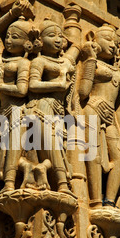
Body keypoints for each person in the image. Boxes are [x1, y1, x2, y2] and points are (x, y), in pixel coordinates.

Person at [27, 16, 81, 195]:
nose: (58, 39)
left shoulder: (64, 61)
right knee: (52, 147)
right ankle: (62, 184)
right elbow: (33, 85)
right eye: (52, 35)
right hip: (43, 107)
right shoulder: (39, 61)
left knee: (59, 147)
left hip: (58, 111)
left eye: (60, 36)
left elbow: (76, 46)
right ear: (40, 41)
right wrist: (58, 85)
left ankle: (43, 169)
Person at [79, 24, 120, 209]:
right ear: (93, 38)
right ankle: (95, 201)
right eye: (108, 39)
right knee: (92, 154)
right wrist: (90, 59)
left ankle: (109, 202)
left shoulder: (118, 73)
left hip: (110, 117)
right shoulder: (93, 62)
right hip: (92, 109)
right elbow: (83, 92)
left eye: (115, 42)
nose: (113, 45)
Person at [0, 0, 36, 192]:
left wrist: (0, 86)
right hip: (3, 109)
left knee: (13, 148)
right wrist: (12, 14)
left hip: (18, 110)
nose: (8, 40)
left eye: (15, 37)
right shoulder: (0, 57)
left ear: (27, 43)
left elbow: (22, 90)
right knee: (2, 153)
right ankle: (18, 176)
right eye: (8, 36)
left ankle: (10, 185)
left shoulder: (23, 63)